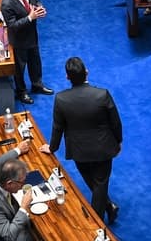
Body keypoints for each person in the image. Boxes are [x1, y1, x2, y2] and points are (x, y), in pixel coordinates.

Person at [39, 57, 122, 225]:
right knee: (99, 184)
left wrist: (52, 147)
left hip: (78, 151)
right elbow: (115, 122)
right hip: (103, 149)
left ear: (67, 77)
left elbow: (57, 127)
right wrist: (118, 141)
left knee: (95, 183)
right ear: (86, 72)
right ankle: (97, 224)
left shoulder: (61, 99)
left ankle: (105, 212)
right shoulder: (102, 94)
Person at [0, 0, 53, 105]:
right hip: (19, 40)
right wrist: (30, 17)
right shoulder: (7, 3)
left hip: (32, 35)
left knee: (35, 61)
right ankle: (21, 91)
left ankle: (37, 84)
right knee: (20, 68)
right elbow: (12, 26)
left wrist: (39, 8)